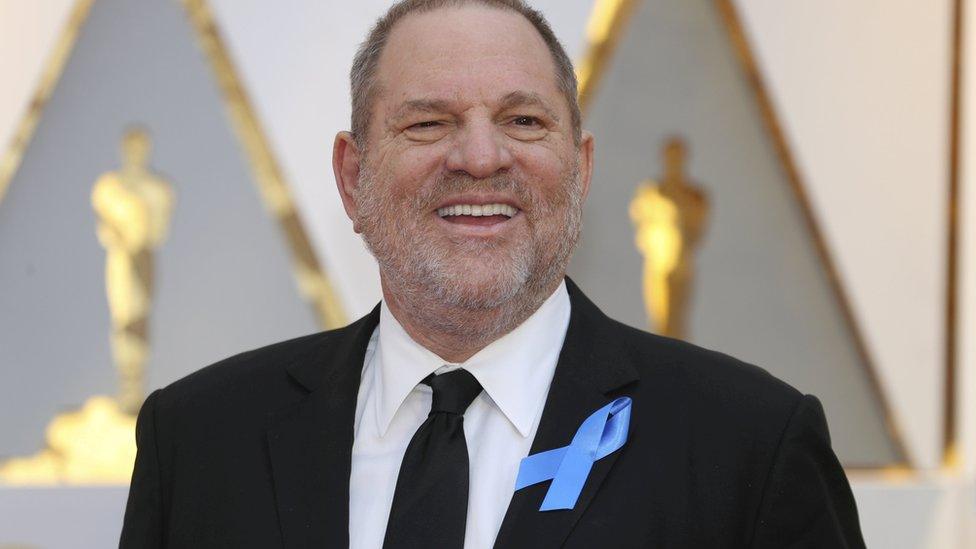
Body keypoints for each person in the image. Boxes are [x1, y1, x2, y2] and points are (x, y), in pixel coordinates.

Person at [119, 0, 865, 547]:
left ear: (581, 170)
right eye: (428, 122)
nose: (480, 158)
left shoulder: (750, 446)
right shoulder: (198, 441)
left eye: (524, 121)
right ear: (353, 179)